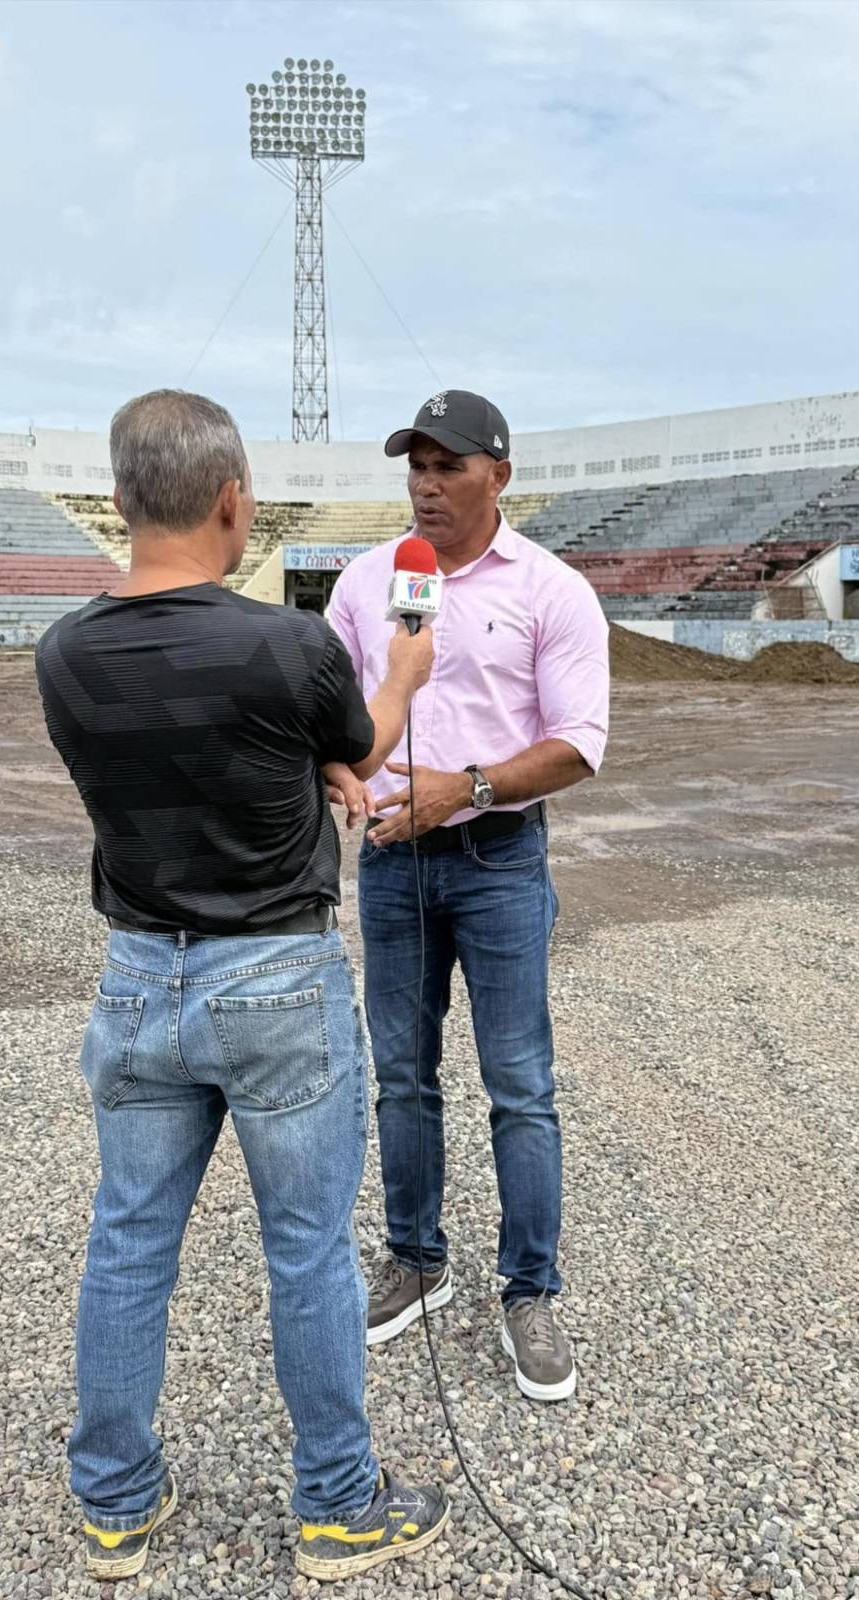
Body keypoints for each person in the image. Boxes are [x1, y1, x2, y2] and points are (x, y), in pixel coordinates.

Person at [34, 389, 448, 1585]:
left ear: (120, 503)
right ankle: (337, 1506)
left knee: (127, 1245)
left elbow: (199, 741)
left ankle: (112, 1503)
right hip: (273, 976)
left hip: (135, 976)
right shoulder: (287, 644)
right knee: (309, 1251)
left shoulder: (63, 655)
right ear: (233, 502)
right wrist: (406, 676)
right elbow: (362, 746)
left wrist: (302, 757)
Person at [325, 389, 609, 1402]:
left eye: (449, 467)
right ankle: (416, 1256)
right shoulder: (366, 583)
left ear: (499, 474)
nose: (428, 485)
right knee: (399, 1073)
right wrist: (341, 771)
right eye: (416, 466)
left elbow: (580, 743)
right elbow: (340, 715)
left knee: (520, 1083)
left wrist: (470, 786)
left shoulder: (552, 590)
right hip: (394, 860)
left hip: (498, 860)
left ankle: (530, 1291)